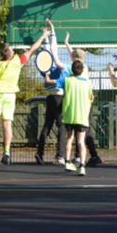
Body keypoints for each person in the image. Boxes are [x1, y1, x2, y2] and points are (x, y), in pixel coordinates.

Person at [0, 27, 50, 164]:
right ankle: (7, 150)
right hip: (10, 95)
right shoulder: (17, 61)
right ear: (9, 52)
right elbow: (32, 49)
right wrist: (43, 35)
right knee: (7, 124)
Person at [45, 61, 93, 176]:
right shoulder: (88, 84)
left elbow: (48, 82)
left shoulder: (66, 81)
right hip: (82, 116)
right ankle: (82, 166)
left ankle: (67, 162)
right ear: (82, 70)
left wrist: (47, 74)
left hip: (69, 115)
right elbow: (91, 97)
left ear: (72, 70)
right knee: (81, 141)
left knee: (69, 138)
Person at [63, 31, 102, 167]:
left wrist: (67, 43)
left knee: (80, 134)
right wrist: (67, 42)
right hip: (83, 101)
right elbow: (72, 54)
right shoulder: (81, 66)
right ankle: (85, 158)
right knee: (83, 133)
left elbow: (71, 55)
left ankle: (81, 157)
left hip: (81, 103)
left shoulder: (79, 70)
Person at [34, 18, 70, 165]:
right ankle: (60, 155)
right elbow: (52, 49)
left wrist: (46, 35)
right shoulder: (62, 68)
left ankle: (39, 152)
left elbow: (48, 50)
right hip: (60, 97)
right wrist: (52, 29)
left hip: (49, 98)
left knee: (47, 126)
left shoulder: (45, 70)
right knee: (61, 127)